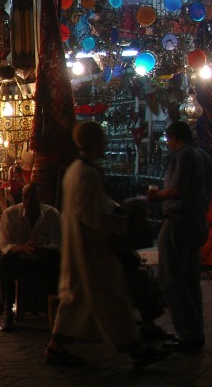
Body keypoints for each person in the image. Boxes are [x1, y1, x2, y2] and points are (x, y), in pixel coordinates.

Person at [46, 122, 169, 369]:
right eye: (101, 140)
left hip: (83, 249)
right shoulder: (86, 174)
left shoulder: (77, 171)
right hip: (91, 250)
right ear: (93, 143)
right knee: (111, 300)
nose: (104, 144)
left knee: (77, 300)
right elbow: (94, 218)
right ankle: (135, 350)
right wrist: (124, 223)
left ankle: (57, 348)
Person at [147, 119, 212, 352]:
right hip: (197, 219)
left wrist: (156, 196)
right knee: (189, 278)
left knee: (171, 279)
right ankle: (195, 331)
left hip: (179, 219)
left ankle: (187, 333)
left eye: (169, 141)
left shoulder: (183, 157)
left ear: (174, 139)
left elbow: (177, 189)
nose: (168, 145)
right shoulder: (205, 157)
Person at [0, 182, 62, 331]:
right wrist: (23, 247)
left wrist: (43, 249)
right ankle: (7, 313)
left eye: (33, 197)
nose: (29, 201)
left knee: (59, 261)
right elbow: (5, 245)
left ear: (41, 198)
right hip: (20, 260)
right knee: (4, 263)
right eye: (26, 197)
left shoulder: (52, 215)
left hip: (43, 260)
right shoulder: (11, 214)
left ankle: (56, 313)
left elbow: (58, 243)